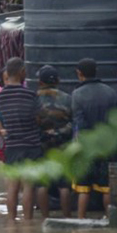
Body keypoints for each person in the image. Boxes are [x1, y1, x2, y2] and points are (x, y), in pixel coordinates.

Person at [0, 58, 43, 220]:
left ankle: (11, 221)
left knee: (12, 186)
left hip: (11, 145)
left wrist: (0, 130)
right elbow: (39, 118)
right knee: (29, 186)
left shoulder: (1, 97)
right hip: (31, 144)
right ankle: (28, 222)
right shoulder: (30, 95)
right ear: (22, 72)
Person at [71, 57, 117, 219]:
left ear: (79, 73)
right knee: (106, 188)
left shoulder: (77, 95)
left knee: (84, 189)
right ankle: (109, 220)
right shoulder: (111, 92)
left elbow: (79, 125)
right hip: (107, 146)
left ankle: (80, 222)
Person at [35, 65, 74, 217]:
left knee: (42, 185)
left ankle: (45, 218)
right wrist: (59, 132)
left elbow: (31, 123)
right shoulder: (67, 98)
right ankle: (67, 218)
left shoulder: (34, 99)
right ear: (58, 80)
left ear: (40, 82)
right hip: (62, 146)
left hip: (41, 146)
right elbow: (73, 123)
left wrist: (43, 134)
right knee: (64, 185)